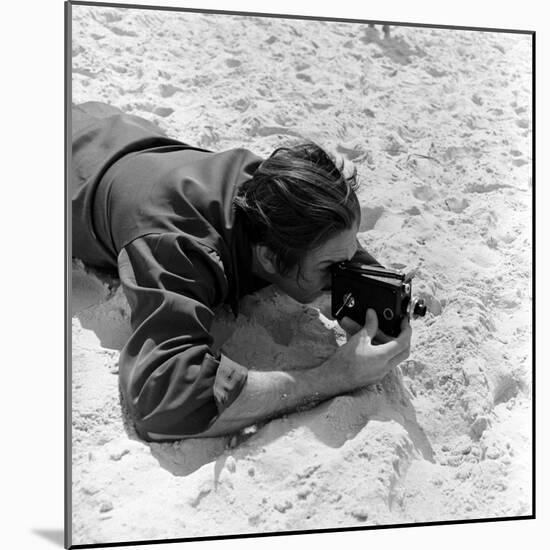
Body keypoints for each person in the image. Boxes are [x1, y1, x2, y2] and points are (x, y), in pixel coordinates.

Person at [71, 101, 412, 442]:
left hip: (116, 131)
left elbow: (331, 242)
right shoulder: (177, 246)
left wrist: (379, 290)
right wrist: (333, 377)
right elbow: (162, 403)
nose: (344, 271)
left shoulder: (278, 191)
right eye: (330, 268)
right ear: (269, 260)